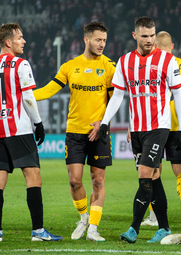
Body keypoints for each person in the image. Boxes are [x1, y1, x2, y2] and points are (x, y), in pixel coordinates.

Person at [98, 16, 181, 243]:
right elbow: (118, 95)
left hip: (159, 127)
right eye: (144, 36)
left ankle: (133, 229)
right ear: (135, 35)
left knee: (144, 175)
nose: (149, 40)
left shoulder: (168, 60)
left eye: (152, 35)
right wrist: (105, 121)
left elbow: (178, 94)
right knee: (154, 178)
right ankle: (164, 228)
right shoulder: (125, 61)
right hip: (137, 129)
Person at [33, 22, 116, 242]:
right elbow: (50, 88)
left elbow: (114, 99)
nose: (102, 44)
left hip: (98, 131)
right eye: (98, 40)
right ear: (86, 40)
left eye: (105, 40)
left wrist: (103, 122)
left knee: (98, 180)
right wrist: (27, 96)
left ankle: (93, 229)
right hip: (75, 132)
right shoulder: (70, 66)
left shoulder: (109, 67)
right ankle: (83, 218)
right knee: (75, 181)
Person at [0, 22, 62, 241]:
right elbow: (28, 97)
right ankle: (38, 230)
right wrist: (38, 123)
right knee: (33, 176)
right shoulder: (20, 64)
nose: (24, 41)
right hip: (19, 129)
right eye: (20, 37)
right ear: (8, 42)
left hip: (0, 130)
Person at [139, 31, 181, 227]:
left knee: (154, 170)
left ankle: (154, 217)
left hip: (155, 125)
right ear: (172, 46)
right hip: (178, 125)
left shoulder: (149, 64)